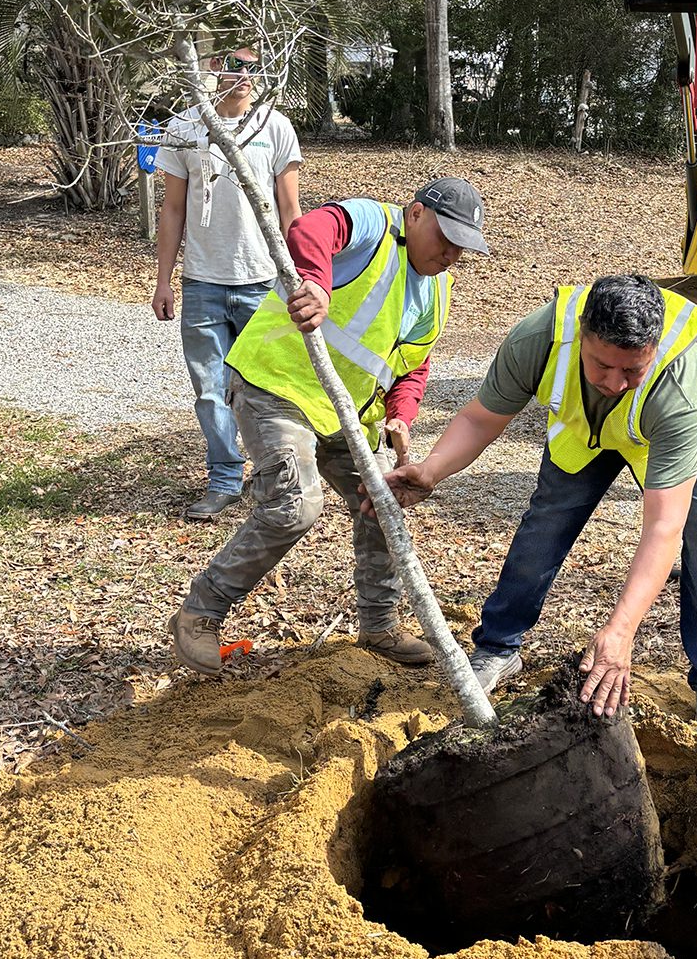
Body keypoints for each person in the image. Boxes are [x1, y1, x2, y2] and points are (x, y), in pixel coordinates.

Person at [376, 273, 697, 730]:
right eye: (601, 366)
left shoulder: (678, 382)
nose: (614, 382)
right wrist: (430, 471)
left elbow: (663, 526)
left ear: (651, 351)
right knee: (547, 523)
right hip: (582, 430)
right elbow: (480, 418)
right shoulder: (540, 338)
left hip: (669, 427)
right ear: (582, 337)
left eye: (632, 369)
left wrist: (621, 631)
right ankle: (497, 648)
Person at [167, 177, 490, 675]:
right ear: (417, 212)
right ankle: (200, 613)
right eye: (445, 239)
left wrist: (402, 416)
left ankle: (379, 626)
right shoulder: (373, 223)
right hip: (274, 385)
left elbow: (411, 366)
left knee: (385, 502)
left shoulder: (438, 291)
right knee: (295, 506)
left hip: (344, 414)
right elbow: (312, 229)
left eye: (461, 249)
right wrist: (316, 281)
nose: (450, 255)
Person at [152, 47, 302, 522]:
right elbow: (172, 210)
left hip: (263, 284)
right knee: (210, 389)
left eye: (253, 66)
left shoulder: (274, 127)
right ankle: (223, 478)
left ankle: (275, 475)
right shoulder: (184, 128)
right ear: (210, 67)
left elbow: (291, 212)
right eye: (231, 63)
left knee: (265, 389)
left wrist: (301, 279)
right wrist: (164, 281)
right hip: (202, 284)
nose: (243, 74)